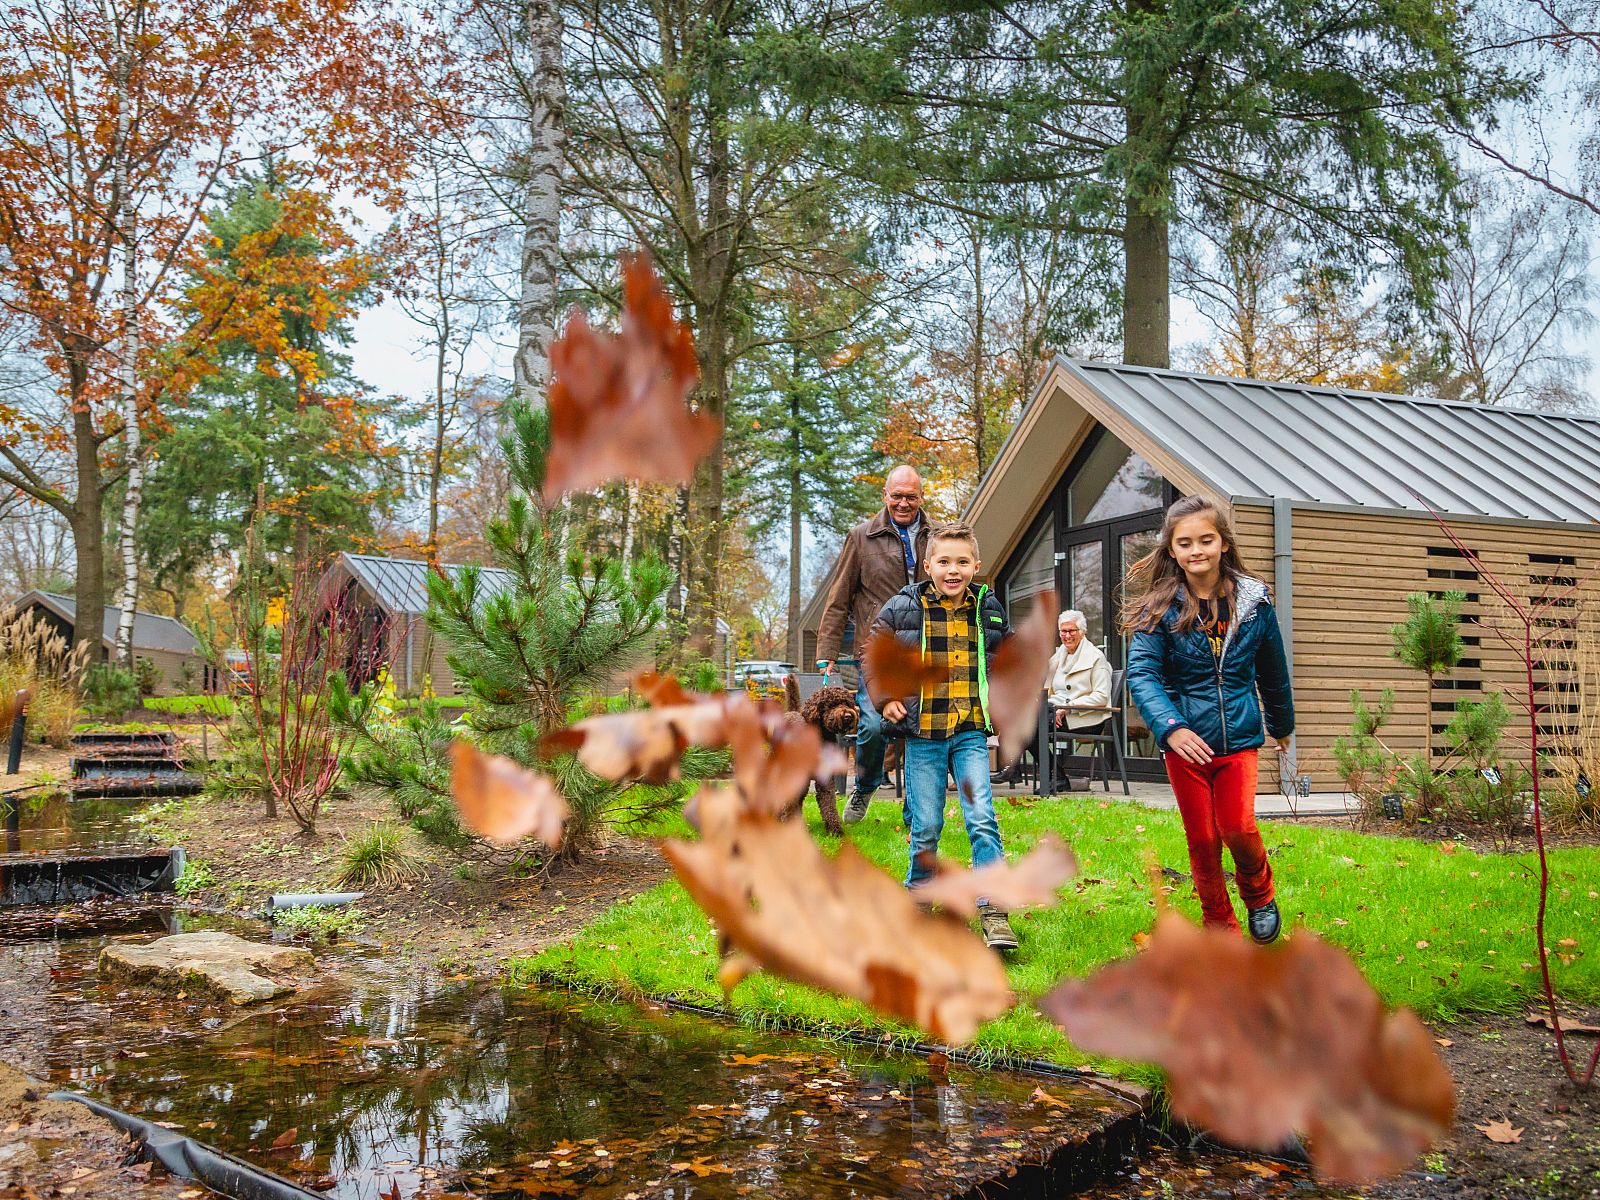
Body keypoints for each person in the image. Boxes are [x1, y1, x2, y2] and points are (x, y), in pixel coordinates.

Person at [1123, 495, 1294, 944]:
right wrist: (1171, 727)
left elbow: (1273, 670)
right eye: (1185, 543)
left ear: (1223, 543)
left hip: (1238, 737)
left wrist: (1282, 725)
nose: (1196, 549)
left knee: (1237, 826)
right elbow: (1142, 674)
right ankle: (1220, 924)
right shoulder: (1159, 610)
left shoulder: (1254, 605)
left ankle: (1259, 894)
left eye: (1206, 539)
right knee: (1202, 839)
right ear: (1172, 551)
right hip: (1186, 744)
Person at [865, 521, 1019, 950]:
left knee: (982, 818)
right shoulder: (902, 608)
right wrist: (885, 698)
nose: (953, 570)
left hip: (969, 731)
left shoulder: (988, 608)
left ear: (976, 565)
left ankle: (993, 909)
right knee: (927, 824)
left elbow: (1004, 656)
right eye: (944, 562)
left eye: (962, 562)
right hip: (923, 734)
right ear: (928, 565)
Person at [816, 465, 929, 823]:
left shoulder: (937, 535)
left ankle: (916, 809)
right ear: (885, 495)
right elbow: (839, 599)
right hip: (876, 651)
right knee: (875, 725)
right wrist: (826, 653)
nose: (903, 503)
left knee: (921, 727)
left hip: (925, 650)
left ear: (921, 497)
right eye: (897, 495)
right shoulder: (861, 537)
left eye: (911, 496)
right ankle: (865, 787)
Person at [1045, 609, 1114, 788]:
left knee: (1032, 727)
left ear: (1082, 632)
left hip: (1086, 718)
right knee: (1027, 723)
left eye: (1071, 631)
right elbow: (1045, 689)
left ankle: (1054, 777)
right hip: (1055, 712)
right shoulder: (1057, 657)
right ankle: (1057, 777)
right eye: (1063, 631)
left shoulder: (1096, 658)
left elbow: (1101, 696)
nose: (1067, 636)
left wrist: (1068, 708)